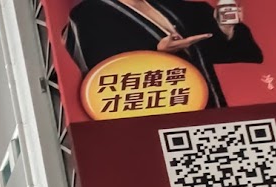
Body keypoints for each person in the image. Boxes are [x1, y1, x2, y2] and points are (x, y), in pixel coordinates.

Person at [59, 0, 264, 111]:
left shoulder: (174, 6)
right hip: (155, 113)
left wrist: (225, 28)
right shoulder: (88, 15)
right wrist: (160, 55)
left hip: (206, 104)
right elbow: (104, 79)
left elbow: (223, 52)